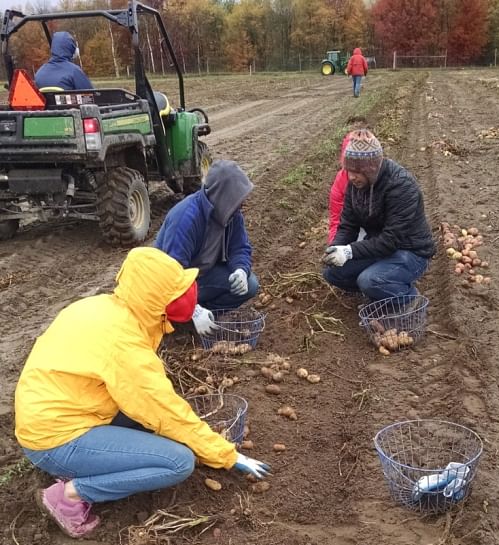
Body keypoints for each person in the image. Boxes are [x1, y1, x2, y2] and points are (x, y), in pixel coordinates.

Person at [14, 247, 270, 539]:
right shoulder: (124, 344)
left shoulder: (105, 308)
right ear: (155, 298)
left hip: (55, 414)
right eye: (177, 292)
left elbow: (149, 402)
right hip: (54, 439)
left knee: (152, 424)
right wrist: (225, 454)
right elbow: (161, 408)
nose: (187, 296)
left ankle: (87, 463)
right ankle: (70, 495)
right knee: (178, 461)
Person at [322, 129, 434, 302]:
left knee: (370, 281)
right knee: (333, 273)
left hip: (410, 250)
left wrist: (350, 251)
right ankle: (381, 292)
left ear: (371, 169)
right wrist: (336, 248)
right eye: (349, 171)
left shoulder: (401, 186)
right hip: (380, 247)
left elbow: (391, 241)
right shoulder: (355, 184)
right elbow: (348, 225)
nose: (351, 177)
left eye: (357, 172)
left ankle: (410, 299)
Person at [155, 159, 259, 335]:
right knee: (174, 301)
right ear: (223, 197)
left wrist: (240, 270)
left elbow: (240, 248)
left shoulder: (231, 214)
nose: (241, 205)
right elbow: (171, 275)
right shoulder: (186, 218)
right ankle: (183, 316)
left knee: (250, 284)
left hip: (201, 278)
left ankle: (205, 313)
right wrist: (192, 309)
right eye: (237, 200)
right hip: (167, 287)